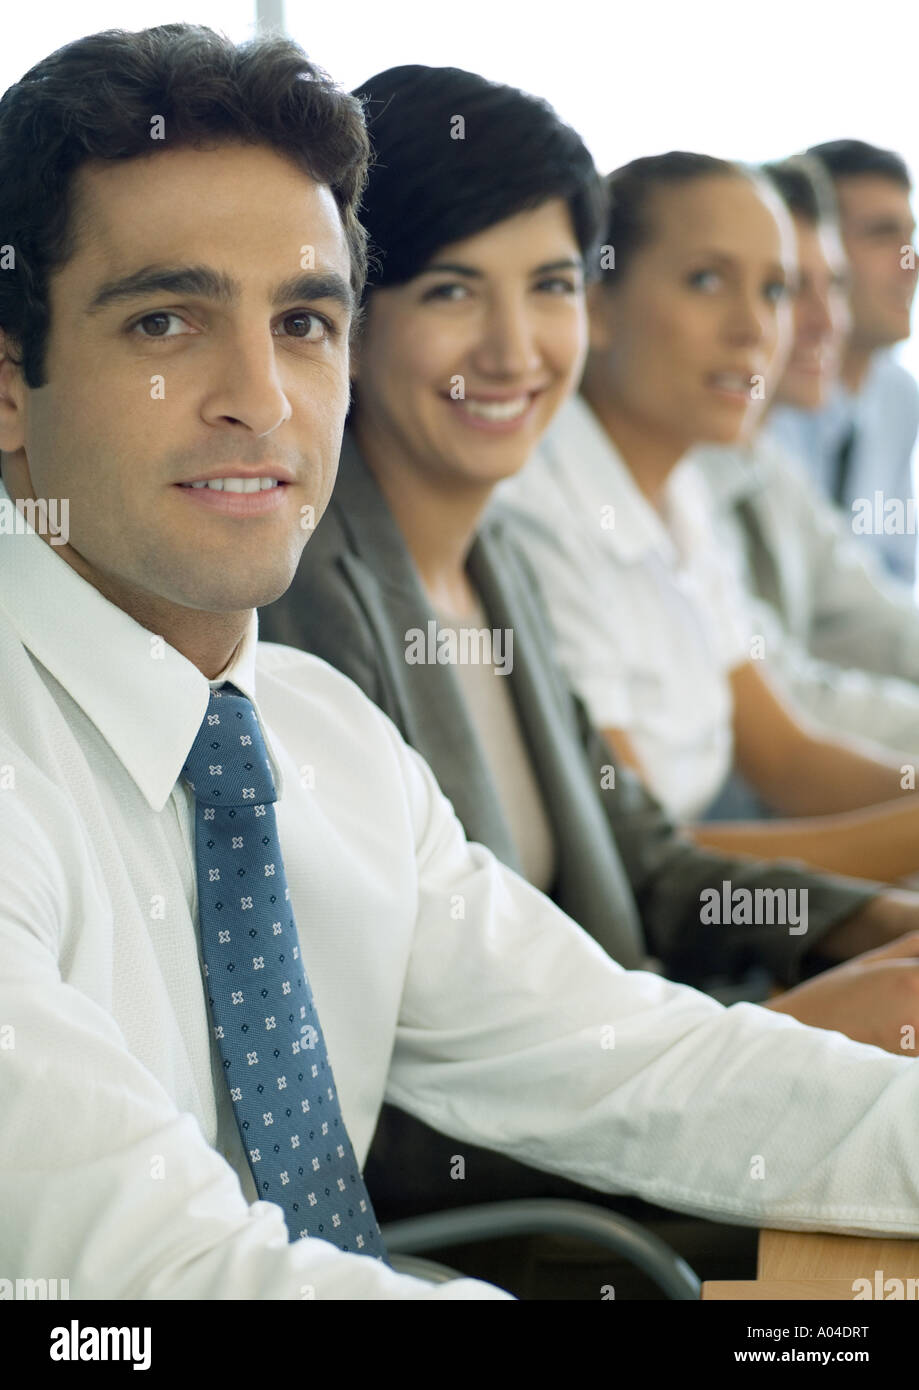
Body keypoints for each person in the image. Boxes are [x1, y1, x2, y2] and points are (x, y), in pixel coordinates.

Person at [5, 30, 919, 1306]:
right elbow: (161, 1279)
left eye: (305, 320)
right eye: (168, 317)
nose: (260, 398)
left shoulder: (319, 737)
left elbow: (624, 1057)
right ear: (9, 381)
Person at [259, 69, 919, 1278]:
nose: (514, 349)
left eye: (552, 287)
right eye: (455, 289)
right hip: (543, 1204)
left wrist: (878, 927)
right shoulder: (304, 603)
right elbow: (395, 1084)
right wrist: (771, 1031)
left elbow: (652, 861)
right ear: (355, 308)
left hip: (642, 1100)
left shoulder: (497, 557)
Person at [500, 152, 919, 882]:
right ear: (595, 304)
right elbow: (642, 865)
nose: (753, 327)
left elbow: (787, 757)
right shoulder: (536, 513)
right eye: (705, 280)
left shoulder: (681, 492)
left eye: (773, 290)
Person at [696, 158, 919, 822]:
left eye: (834, 288)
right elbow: (794, 705)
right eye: (788, 289)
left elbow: (869, 615)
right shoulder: (674, 481)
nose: (826, 321)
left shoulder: (764, 463)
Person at [768, 140, 919, 586]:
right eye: (881, 235)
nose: (911, 262)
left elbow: (897, 568)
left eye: (910, 237)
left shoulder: (900, 396)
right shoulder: (761, 391)